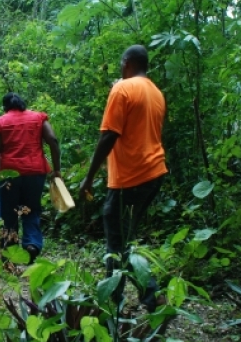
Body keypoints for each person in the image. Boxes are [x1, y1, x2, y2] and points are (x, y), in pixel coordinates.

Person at [78, 45, 167, 312]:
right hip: (153, 173)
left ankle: (131, 301)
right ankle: (122, 300)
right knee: (123, 240)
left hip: (132, 177)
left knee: (116, 244)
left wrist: (89, 177)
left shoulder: (123, 89)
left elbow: (109, 135)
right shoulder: (156, 92)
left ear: (126, 63)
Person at [0, 93, 61, 263]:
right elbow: (53, 140)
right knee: (31, 209)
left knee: (9, 212)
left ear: (5, 107)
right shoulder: (38, 118)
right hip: (35, 172)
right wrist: (57, 170)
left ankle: (9, 252)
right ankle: (32, 244)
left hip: (9, 174)